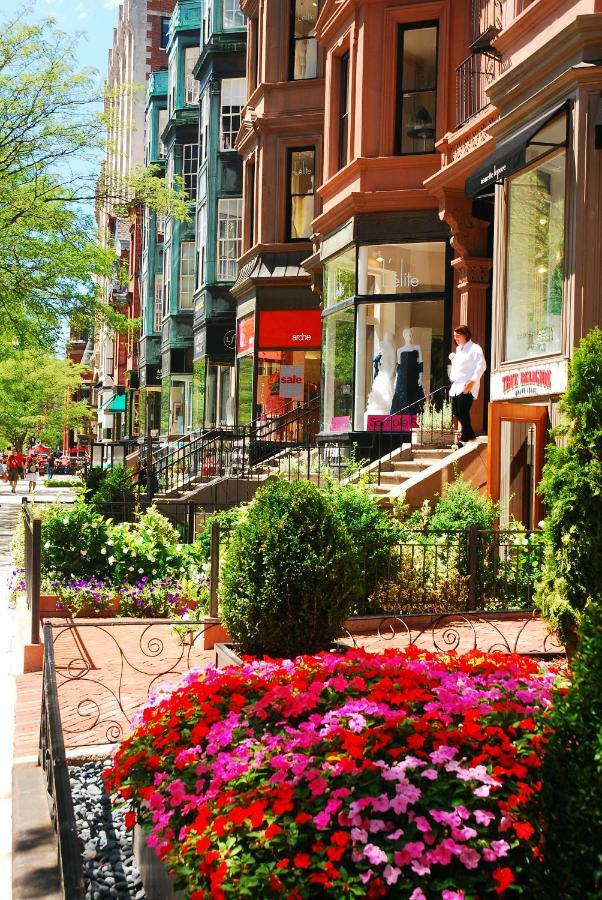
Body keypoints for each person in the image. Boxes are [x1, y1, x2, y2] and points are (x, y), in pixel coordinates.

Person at [448, 324, 487, 445]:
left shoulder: (475, 348)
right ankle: (469, 433)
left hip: (468, 385)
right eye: (454, 336)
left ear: (465, 335)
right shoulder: (459, 350)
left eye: (458, 336)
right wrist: (453, 358)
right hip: (456, 386)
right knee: (455, 410)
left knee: (463, 410)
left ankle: (465, 437)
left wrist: (473, 380)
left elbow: (482, 365)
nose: (456, 339)